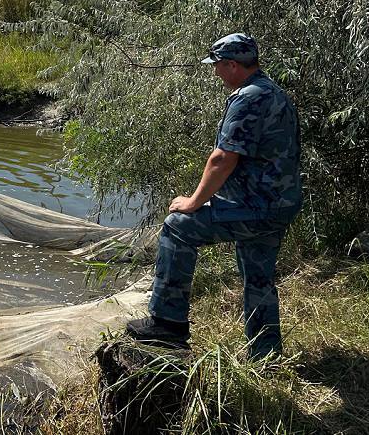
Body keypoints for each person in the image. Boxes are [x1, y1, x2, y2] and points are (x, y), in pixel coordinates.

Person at [126, 33, 302, 360]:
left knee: (178, 225)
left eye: (218, 66)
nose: (215, 72)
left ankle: (168, 326)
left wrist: (193, 202)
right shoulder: (276, 93)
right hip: (279, 206)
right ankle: (267, 355)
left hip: (254, 207)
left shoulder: (247, 98)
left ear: (233, 65)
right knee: (258, 278)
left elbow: (222, 159)